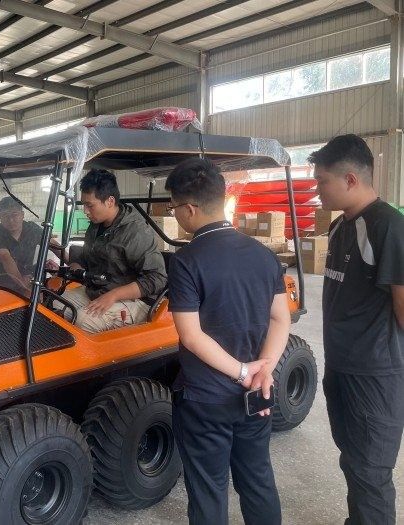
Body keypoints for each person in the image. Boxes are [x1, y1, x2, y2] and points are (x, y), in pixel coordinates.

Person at [165, 158, 289, 525]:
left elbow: (191, 335)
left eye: (174, 208)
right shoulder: (264, 255)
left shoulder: (186, 261)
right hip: (256, 395)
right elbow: (280, 318)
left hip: (206, 399)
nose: (176, 215)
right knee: (257, 480)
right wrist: (262, 372)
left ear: (189, 209)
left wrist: (243, 371)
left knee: (209, 491)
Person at [309, 134, 404, 525]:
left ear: (350, 180)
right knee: (353, 461)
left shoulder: (389, 227)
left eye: (322, 181)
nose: (317, 190)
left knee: (371, 472)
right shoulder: (339, 227)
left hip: (374, 375)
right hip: (341, 367)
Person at [61, 168, 166, 332]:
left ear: (110, 201)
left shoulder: (135, 232)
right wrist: (76, 264)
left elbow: (157, 278)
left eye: (90, 205)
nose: (85, 211)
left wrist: (114, 295)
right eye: (84, 205)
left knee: (83, 320)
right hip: (99, 289)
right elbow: (90, 256)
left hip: (135, 300)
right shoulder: (95, 226)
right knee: (55, 304)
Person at [0, 196, 59, 294]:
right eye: (5, 216)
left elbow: (54, 245)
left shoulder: (32, 229)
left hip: (25, 280)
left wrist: (71, 265)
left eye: (14, 215)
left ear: (22, 215)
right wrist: (24, 285)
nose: (11, 220)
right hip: (0, 287)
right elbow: (5, 257)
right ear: (0, 217)